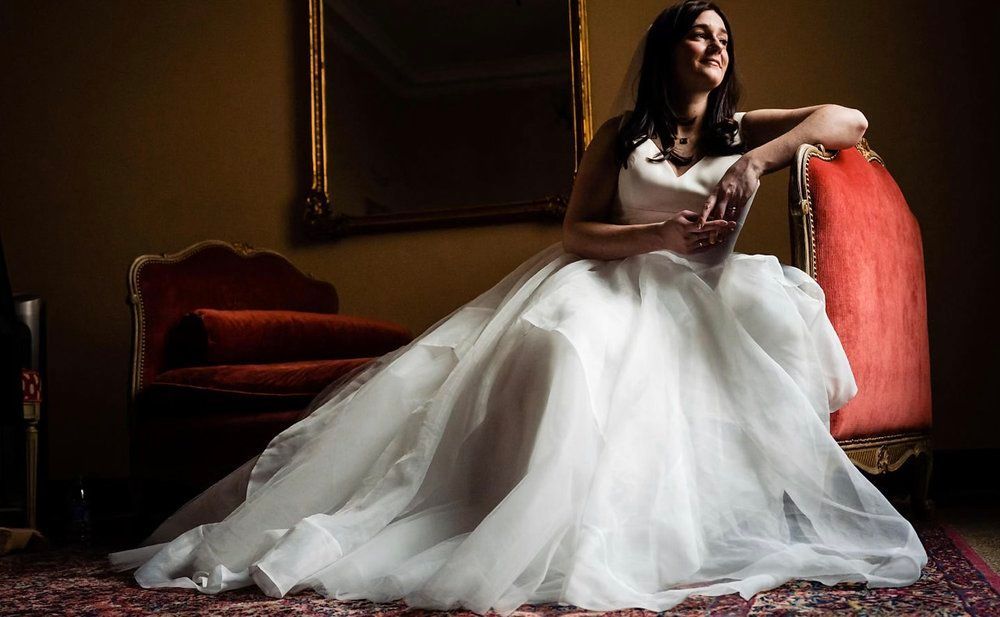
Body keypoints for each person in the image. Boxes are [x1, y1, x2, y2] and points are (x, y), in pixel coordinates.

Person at [109, 1, 927, 614]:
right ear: (667, 50)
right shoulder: (623, 134)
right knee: (571, 343)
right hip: (617, 277)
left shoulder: (738, 130)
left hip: (705, 304)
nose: (716, 47)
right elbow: (577, 230)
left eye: (724, 39)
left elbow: (848, 118)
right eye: (699, 34)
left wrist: (759, 162)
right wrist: (656, 236)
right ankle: (511, 510)